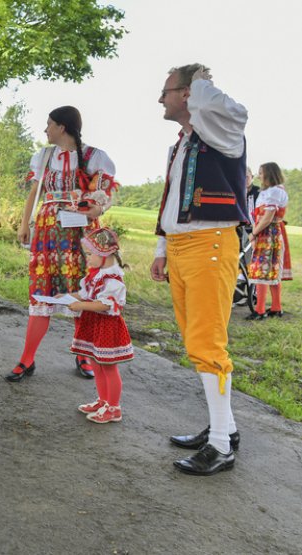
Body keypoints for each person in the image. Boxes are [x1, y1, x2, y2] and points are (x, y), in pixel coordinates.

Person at [150, 64, 248, 475]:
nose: (161, 99)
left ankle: (222, 446)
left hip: (209, 245)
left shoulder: (223, 133)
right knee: (197, 341)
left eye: (167, 91)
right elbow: (171, 197)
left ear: (188, 94)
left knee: (207, 344)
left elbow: (236, 111)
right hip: (182, 247)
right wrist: (160, 247)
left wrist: (201, 82)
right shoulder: (182, 145)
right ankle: (224, 428)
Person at [9, 106, 118, 382]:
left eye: (49, 125)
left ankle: (83, 354)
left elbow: (105, 192)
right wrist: (25, 224)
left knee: (81, 290)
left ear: (62, 128)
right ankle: (27, 358)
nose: (45, 130)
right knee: (41, 290)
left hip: (80, 234)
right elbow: (35, 193)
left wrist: (96, 209)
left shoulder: (95, 156)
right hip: (48, 234)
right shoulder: (44, 156)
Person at [68, 228, 133, 424]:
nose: (86, 258)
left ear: (104, 255)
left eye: (89, 254)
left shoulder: (112, 279)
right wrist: (67, 297)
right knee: (96, 363)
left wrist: (80, 305)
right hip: (95, 325)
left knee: (108, 366)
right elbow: (87, 294)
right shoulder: (96, 275)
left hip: (106, 327)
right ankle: (103, 400)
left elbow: (105, 304)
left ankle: (114, 407)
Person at [245, 162, 292, 320]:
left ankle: (259, 310)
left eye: (261, 172)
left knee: (262, 270)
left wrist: (254, 233)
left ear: (269, 174)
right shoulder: (276, 190)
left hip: (267, 233)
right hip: (270, 232)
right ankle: (276, 307)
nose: (259, 175)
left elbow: (267, 218)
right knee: (271, 270)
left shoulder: (273, 191)